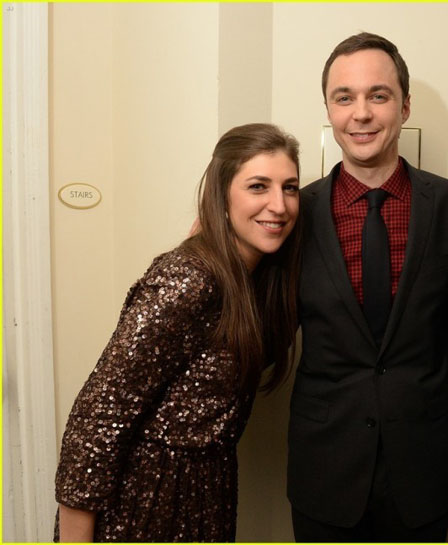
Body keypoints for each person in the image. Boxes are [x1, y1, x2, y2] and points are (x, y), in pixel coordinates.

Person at [54, 123, 303, 542]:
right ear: (222, 196)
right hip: (145, 504)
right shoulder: (189, 280)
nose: (278, 205)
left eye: (290, 188)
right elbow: (99, 417)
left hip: (207, 497)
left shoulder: (257, 279)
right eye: (258, 186)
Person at [287, 32, 448, 542]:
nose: (361, 113)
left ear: (405, 104)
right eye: (344, 97)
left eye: (378, 95)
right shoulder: (293, 214)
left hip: (425, 466)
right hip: (324, 468)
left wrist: (415, 381)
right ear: (328, 108)